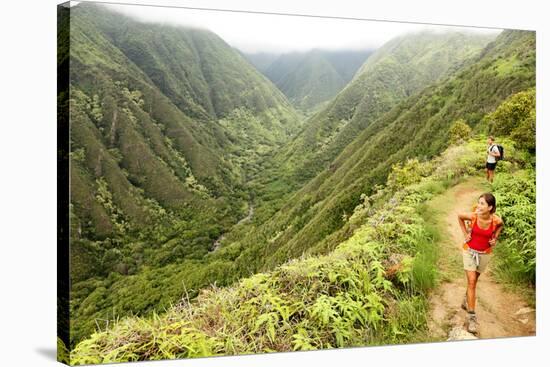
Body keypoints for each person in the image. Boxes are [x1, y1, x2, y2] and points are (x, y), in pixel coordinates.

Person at [457, 193, 503, 334]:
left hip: (484, 254)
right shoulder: (473, 216)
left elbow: (501, 226)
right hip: (469, 251)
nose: (478, 206)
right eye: (478, 202)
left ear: (490, 207)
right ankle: (471, 317)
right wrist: (465, 233)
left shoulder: (496, 221)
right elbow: (459, 216)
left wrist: (495, 238)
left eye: (482, 203)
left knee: (474, 281)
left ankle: (467, 298)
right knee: (471, 281)